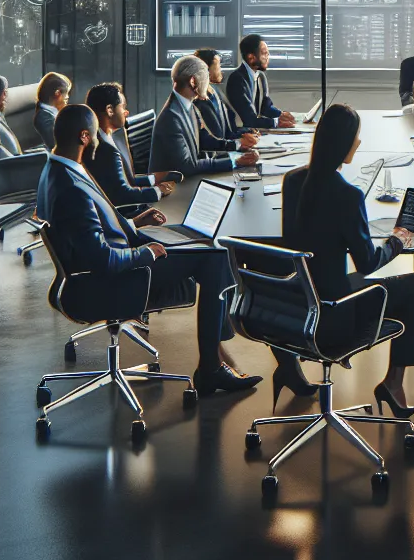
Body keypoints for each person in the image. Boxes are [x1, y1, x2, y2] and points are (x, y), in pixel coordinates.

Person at [37, 103, 260, 396]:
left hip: (101, 268)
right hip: (113, 280)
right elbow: (102, 258)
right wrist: (147, 253)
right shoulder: (71, 186)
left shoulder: (59, 168)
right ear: (82, 137)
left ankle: (215, 356)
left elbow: (92, 227)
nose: (96, 140)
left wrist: (133, 223)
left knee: (199, 244)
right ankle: (211, 369)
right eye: (93, 135)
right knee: (215, 258)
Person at [273, 104, 414, 415]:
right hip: (334, 315)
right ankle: (393, 383)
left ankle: (289, 368)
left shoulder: (292, 181)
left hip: (298, 305)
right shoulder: (347, 195)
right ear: (343, 143)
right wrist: (396, 243)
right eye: (356, 138)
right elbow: (367, 263)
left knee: (355, 281)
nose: (359, 143)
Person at [153, 56, 261, 179]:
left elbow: (206, 140)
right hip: (174, 187)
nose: (208, 82)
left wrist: (237, 145)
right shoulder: (171, 118)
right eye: (205, 77)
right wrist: (235, 161)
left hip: (188, 178)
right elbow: (187, 166)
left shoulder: (187, 105)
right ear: (193, 82)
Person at [82, 81, 176, 211]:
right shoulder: (102, 149)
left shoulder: (111, 137)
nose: (126, 112)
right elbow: (122, 194)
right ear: (109, 110)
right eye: (123, 106)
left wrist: (154, 178)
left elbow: (125, 180)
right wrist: (158, 191)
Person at [193, 48, 260, 153]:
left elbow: (228, 132)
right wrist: (238, 143)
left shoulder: (215, 93)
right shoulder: (198, 102)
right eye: (218, 65)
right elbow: (209, 142)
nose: (220, 69)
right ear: (205, 69)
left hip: (228, 148)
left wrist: (246, 132)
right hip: (218, 156)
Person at [228, 34, 296, 130]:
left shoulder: (260, 76)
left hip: (255, 130)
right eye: (264, 53)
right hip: (242, 133)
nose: (268, 57)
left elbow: (266, 107)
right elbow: (249, 119)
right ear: (251, 57)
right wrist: (276, 122)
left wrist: (281, 114)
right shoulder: (237, 79)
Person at [33, 72, 72, 150]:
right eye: (66, 93)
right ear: (57, 93)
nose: (67, 97)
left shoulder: (52, 113)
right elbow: (56, 144)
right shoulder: (44, 117)